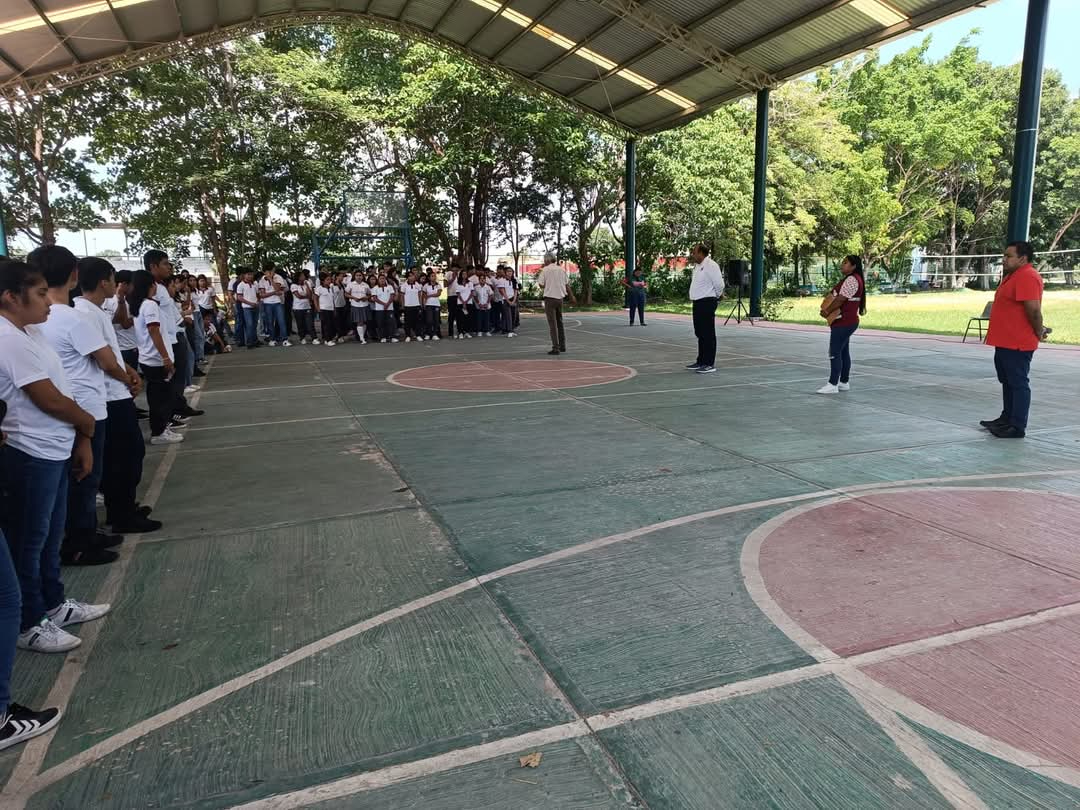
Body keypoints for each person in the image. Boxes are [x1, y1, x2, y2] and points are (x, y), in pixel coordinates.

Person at [0, 260, 111, 653]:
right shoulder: (7, 338)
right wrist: (86, 424)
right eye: (41, 293)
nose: (50, 301)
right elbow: (47, 398)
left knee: (48, 538)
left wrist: (80, 436)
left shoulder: (30, 331)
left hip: (55, 447)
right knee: (29, 542)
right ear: (11, 297)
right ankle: (30, 622)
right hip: (29, 452)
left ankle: (53, 604)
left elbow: (59, 387)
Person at [29, 246, 124, 565]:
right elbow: (106, 360)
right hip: (83, 407)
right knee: (86, 477)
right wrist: (128, 378)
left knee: (76, 480)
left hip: (63, 407)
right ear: (74, 275)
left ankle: (84, 534)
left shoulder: (32, 323)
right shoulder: (69, 318)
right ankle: (81, 543)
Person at [73, 258, 160, 535]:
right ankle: (122, 513)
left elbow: (112, 353)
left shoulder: (95, 311)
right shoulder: (85, 313)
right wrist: (129, 378)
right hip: (109, 395)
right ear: (103, 282)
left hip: (114, 391)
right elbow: (106, 361)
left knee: (124, 455)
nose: (117, 285)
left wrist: (129, 371)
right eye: (113, 279)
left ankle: (123, 506)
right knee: (126, 454)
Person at [981, 241, 1048, 439]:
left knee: (1018, 383)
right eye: (1004, 256)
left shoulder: (1027, 276)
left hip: (1017, 342)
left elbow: (1033, 310)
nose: (1004, 260)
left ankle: (1017, 425)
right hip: (1005, 340)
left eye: (1009, 256)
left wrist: (1038, 331)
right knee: (1007, 381)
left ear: (1022, 258)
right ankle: (1006, 418)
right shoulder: (1013, 276)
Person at [146, 251, 203, 421]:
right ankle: (169, 414)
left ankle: (178, 406)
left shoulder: (161, 287)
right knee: (168, 381)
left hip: (175, 334)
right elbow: (154, 321)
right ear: (153, 266)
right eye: (165, 264)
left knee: (178, 377)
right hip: (168, 339)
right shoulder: (153, 290)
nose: (169, 267)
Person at [129, 271, 183, 445]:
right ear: (149, 286)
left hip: (148, 357)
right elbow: (154, 331)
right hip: (155, 358)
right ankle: (159, 431)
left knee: (157, 395)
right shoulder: (149, 305)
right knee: (161, 397)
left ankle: (160, 427)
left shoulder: (138, 305)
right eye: (153, 284)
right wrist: (166, 358)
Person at [817, 255, 867, 394]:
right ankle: (844, 382)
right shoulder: (855, 279)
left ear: (853, 266)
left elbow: (840, 299)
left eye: (845, 263)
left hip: (844, 321)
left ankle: (832, 384)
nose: (842, 265)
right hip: (848, 321)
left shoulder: (852, 279)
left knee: (834, 352)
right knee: (844, 352)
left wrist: (827, 311)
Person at [686, 243, 725, 374]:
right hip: (698, 302)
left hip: (707, 301)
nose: (693, 254)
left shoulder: (711, 265)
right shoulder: (697, 266)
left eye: (694, 252)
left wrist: (718, 295)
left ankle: (709, 363)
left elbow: (719, 284)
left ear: (701, 253)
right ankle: (701, 361)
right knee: (700, 332)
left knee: (708, 333)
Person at [537, 253, 576, 355]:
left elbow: (541, 284)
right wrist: (572, 296)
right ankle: (563, 345)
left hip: (550, 298)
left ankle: (556, 347)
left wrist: (548, 285)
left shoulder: (545, 270)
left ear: (547, 260)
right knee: (560, 322)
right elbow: (566, 284)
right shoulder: (561, 269)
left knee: (552, 324)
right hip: (560, 298)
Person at [257, 262, 290, 347]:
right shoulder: (262, 280)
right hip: (267, 303)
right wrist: (275, 292)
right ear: (264, 272)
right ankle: (272, 339)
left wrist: (271, 279)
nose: (269, 273)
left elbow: (278, 288)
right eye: (267, 272)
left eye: (271, 271)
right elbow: (262, 294)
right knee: (269, 322)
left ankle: (285, 339)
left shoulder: (278, 277)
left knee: (281, 321)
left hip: (277, 302)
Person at [234, 267, 260, 350]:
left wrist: (258, 301)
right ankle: (249, 342)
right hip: (247, 308)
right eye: (248, 274)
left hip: (255, 306)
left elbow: (258, 294)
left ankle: (254, 340)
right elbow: (239, 297)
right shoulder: (240, 285)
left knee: (254, 325)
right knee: (249, 324)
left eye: (251, 274)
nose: (250, 276)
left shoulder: (255, 284)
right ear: (244, 275)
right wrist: (250, 303)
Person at [290, 271, 316, 345]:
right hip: (298, 308)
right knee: (300, 324)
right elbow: (298, 296)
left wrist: (307, 285)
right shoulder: (293, 286)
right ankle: (302, 338)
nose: (304, 277)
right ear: (298, 277)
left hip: (307, 306)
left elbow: (310, 295)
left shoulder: (305, 284)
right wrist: (306, 296)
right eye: (302, 276)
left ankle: (314, 338)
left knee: (310, 323)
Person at [371, 275, 397, 343]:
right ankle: (383, 337)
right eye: (380, 279)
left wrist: (387, 304)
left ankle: (392, 337)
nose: (382, 280)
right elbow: (374, 298)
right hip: (379, 309)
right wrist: (384, 304)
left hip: (390, 308)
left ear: (385, 279)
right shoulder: (375, 288)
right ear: (378, 280)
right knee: (380, 323)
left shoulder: (390, 287)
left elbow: (392, 296)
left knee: (390, 322)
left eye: (383, 278)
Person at [346, 271, 370, 344]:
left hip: (365, 305)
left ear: (362, 276)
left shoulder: (365, 285)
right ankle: (362, 338)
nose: (359, 277)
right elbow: (346, 294)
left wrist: (366, 297)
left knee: (364, 322)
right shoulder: (351, 284)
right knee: (359, 322)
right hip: (355, 305)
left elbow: (369, 294)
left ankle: (362, 336)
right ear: (354, 276)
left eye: (360, 275)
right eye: (357, 275)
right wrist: (353, 297)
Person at [315, 272, 336, 346]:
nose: (329, 281)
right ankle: (328, 340)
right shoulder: (319, 289)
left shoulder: (330, 288)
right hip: (324, 309)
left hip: (331, 309)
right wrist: (318, 308)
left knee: (331, 324)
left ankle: (327, 339)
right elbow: (315, 299)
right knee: (327, 325)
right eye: (327, 280)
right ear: (323, 281)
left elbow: (332, 299)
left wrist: (334, 308)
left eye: (330, 279)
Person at [454, 269, 474, 339]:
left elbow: (472, 293)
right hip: (460, 303)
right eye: (463, 274)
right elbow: (458, 294)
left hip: (469, 302)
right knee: (460, 318)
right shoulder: (458, 284)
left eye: (465, 274)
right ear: (460, 275)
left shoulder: (470, 283)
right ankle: (460, 332)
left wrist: (466, 301)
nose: (464, 275)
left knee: (468, 318)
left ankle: (467, 332)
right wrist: (463, 302)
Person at [423, 273, 442, 340]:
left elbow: (438, 294)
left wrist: (430, 295)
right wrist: (424, 303)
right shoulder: (426, 285)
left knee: (436, 320)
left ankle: (434, 334)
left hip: (436, 304)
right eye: (432, 276)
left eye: (434, 276)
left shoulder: (438, 285)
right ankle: (428, 333)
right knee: (429, 320)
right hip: (428, 304)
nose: (434, 277)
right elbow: (424, 295)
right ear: (429, 278)